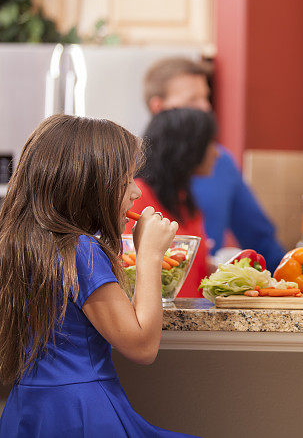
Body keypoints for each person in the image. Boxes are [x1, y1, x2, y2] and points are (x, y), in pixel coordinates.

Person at [0, 115, 192, 436]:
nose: (135, 193)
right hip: (83, 413)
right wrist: (150, 255)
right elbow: (142, 346)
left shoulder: (18, 246)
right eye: (125, 179)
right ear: (87, 183)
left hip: (28, 410)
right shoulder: (80, 250)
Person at [143, 57, 285, 268]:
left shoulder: (221, 162)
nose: (205, 107)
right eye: (193, 100)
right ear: (159, 108)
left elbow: (258, 236)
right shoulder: (134, 174)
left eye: (206, 98)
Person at [125, 108, 218, 298]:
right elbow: (129, 267)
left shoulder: (184, 200)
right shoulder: (137, 198)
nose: (216, 153)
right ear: (187, 149)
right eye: (209, 143)